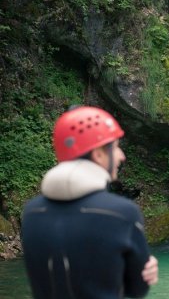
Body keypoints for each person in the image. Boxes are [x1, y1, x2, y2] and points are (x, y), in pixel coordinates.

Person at [21, 106, 159, 299]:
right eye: (116, 146)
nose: (121, 156)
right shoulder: (122, 213)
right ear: (99, 153)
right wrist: (146, 270)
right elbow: (137, 289)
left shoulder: (32, 212)